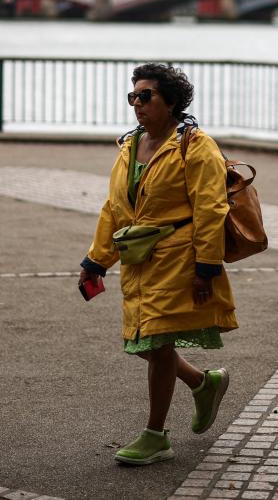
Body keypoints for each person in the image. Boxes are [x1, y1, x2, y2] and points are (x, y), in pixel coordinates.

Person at [78, 62, 237, 466]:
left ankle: (155, 435)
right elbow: (114, 208)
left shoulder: (196, 146)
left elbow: (210, 208)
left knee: (157, 343)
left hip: (178, 258)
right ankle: (203, 382)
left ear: (172, 101)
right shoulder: (131, 145)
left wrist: (206, 267)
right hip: (138, 259)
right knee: (141, 343)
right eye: (132, 96)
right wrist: (96, 261)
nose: (136, 103)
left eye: (145, 96)